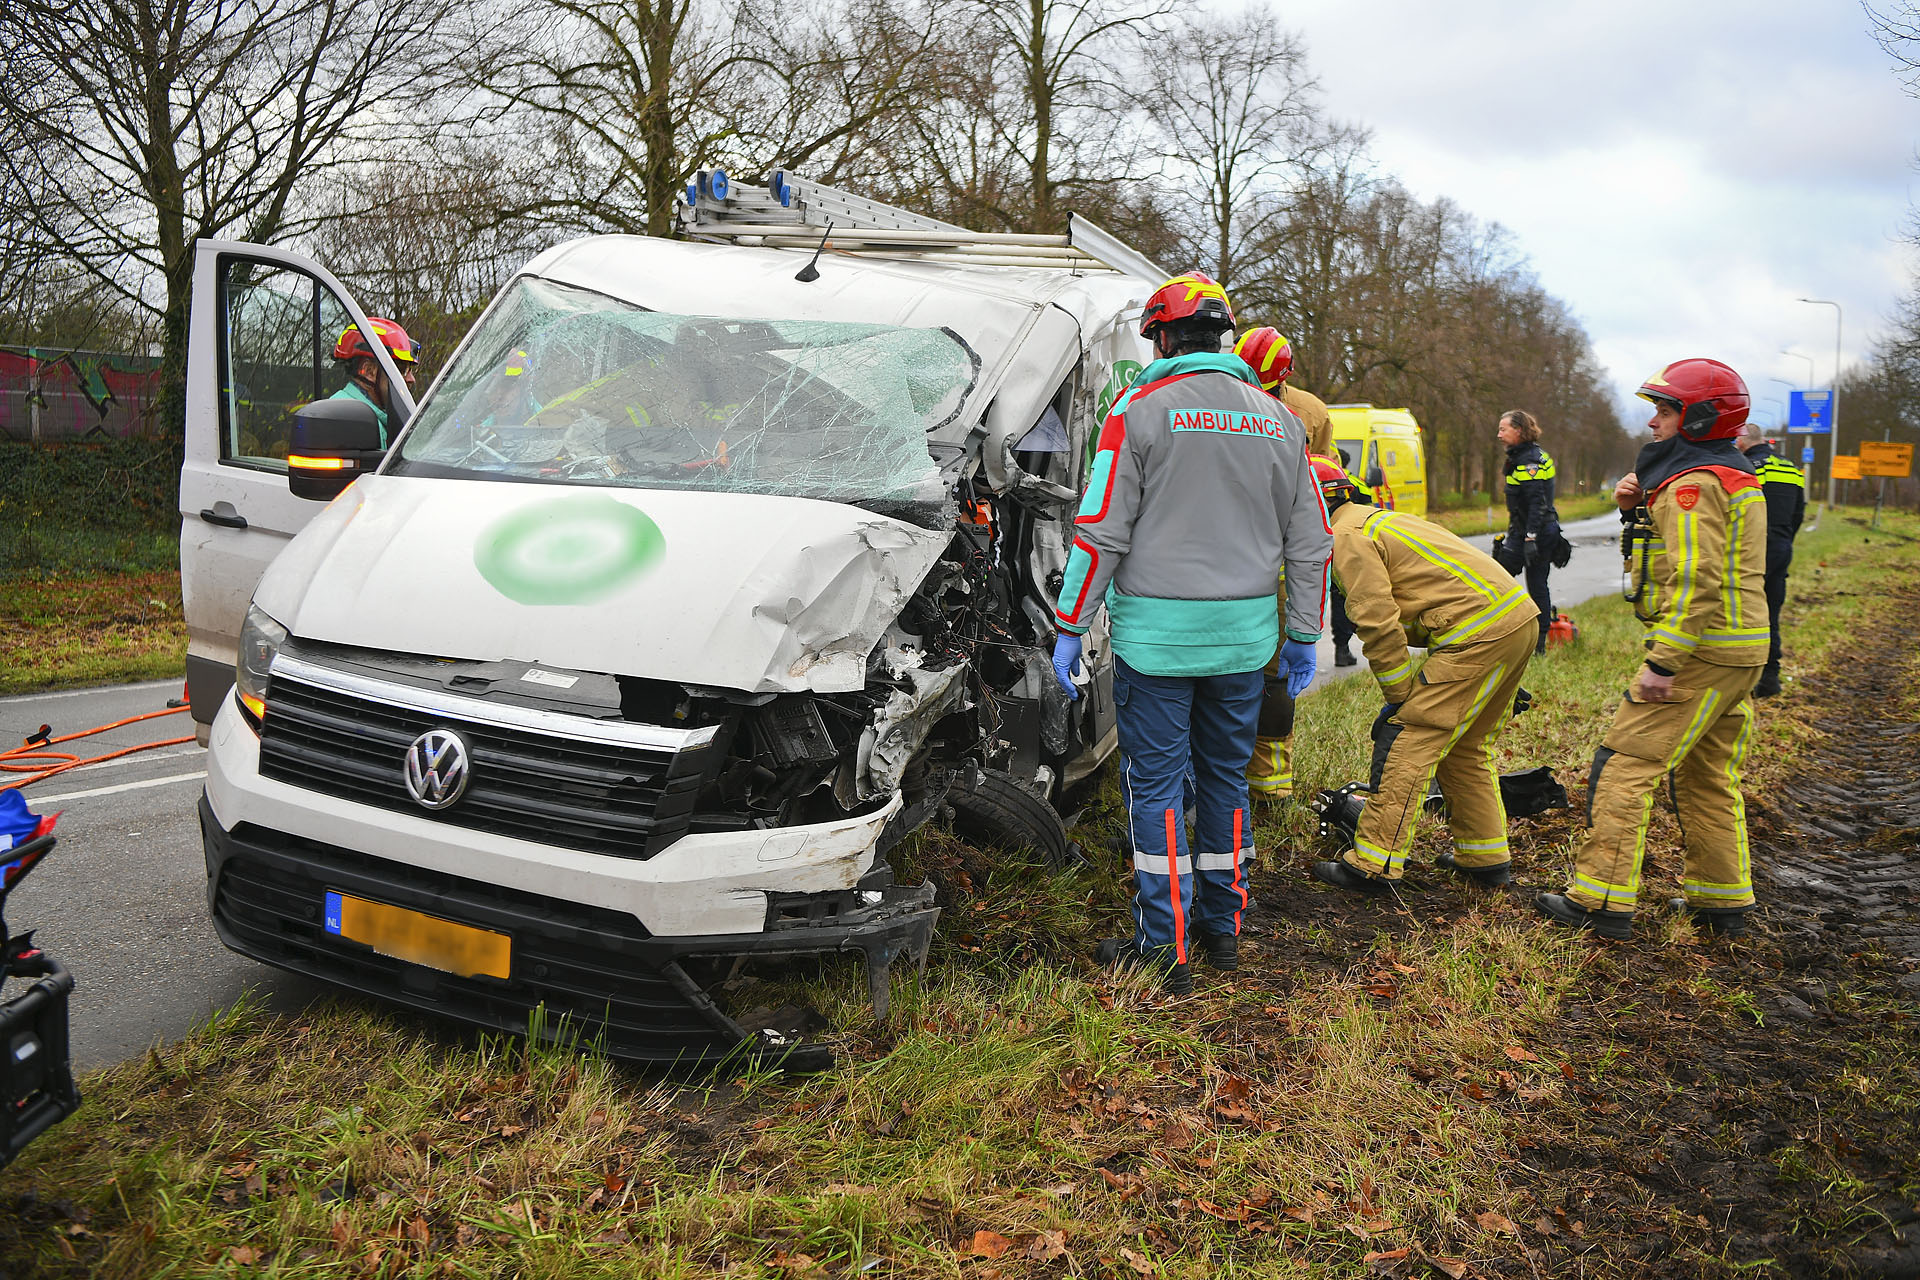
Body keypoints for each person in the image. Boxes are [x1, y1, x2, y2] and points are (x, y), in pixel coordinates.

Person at [1052, 274, 1332, 993]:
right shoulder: (1281, 422)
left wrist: (1070, 624)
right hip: (1243, 644)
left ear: (1162, 339)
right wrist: (1304, 633)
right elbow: (1311, 541)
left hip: (1157, 645)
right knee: (1226, 780)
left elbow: (1101, 529)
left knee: (1155, 790)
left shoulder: (1137, 412)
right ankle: (1222, 928)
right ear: (1223, 338)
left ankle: (1164, 946)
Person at [1537, 358, 1767, 941]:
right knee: (1707, 775)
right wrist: (1633, 512)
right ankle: (1721, 901)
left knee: (1623, 765)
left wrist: (1664, 663)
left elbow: (1694, 581)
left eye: (1665, 410)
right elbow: (1680, 562)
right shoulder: (1731, 474)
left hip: (1700, 651)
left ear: (1700, 418)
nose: (1653, 421)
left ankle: (1600, 900)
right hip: (1739, 650)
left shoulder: (1692, 485)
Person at [1305, 458, 1539, 897]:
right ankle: (1485, 858)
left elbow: (1376, 620)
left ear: (1311, 503)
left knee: (1409, 740)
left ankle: (1373, 864)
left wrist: (1400, 698)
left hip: (1477, 633)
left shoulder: (1345, 536)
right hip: (1515, 619)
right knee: (1466, 747)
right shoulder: (1373, 520)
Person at [1232, 326, 1338, 800]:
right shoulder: (1307, 412)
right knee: (1247, 676)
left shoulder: (1306, 412)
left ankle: (1269, 785)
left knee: (1272, 680)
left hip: (1267, 567)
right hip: (1259, 565)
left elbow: (1321, 486)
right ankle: (1242, 779)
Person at [1735, 423, 1806, 698]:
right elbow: (1798, 512)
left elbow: (1745, 510)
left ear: (1742, 442)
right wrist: (1786, 539)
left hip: (1753, 549)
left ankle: (1744, 679)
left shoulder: (1748, 467)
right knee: (1771, 614)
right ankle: (1770, 679)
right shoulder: (1791, 468)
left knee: (1745, 614)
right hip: (1782, 546)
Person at [1492, 410, 1565, 655]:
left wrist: (1530, 537)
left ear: (1519, 430)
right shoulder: (1525, 455)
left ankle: (1533, 643)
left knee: (1498, 579)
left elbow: (1536, 504)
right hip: (1530, 530)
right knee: (1534, 583)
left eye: (1503, 429)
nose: (1499, 435)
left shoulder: (1529, 461)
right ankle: (1532, 642)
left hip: (1535, 532)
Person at [329, 318, 419, 447]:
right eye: (401, 369)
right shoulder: (349, 418)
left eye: (411, 370)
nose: (411, 379)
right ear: (369, 371)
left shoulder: (375, 417)